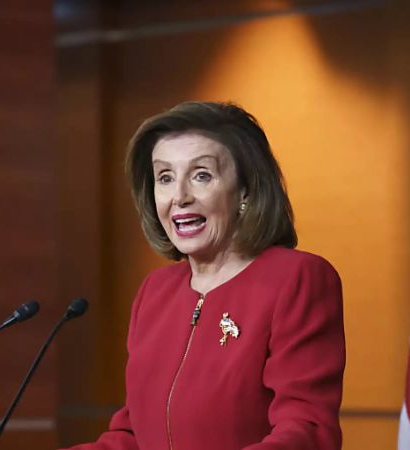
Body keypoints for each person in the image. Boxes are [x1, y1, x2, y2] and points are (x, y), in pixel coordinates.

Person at [65, 102, 345, 450]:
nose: (180, 196)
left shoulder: (297, 278)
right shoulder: (155, 291)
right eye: (165, 178)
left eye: (201, 175)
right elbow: (133, 435)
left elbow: (307, 429)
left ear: (245, 190)